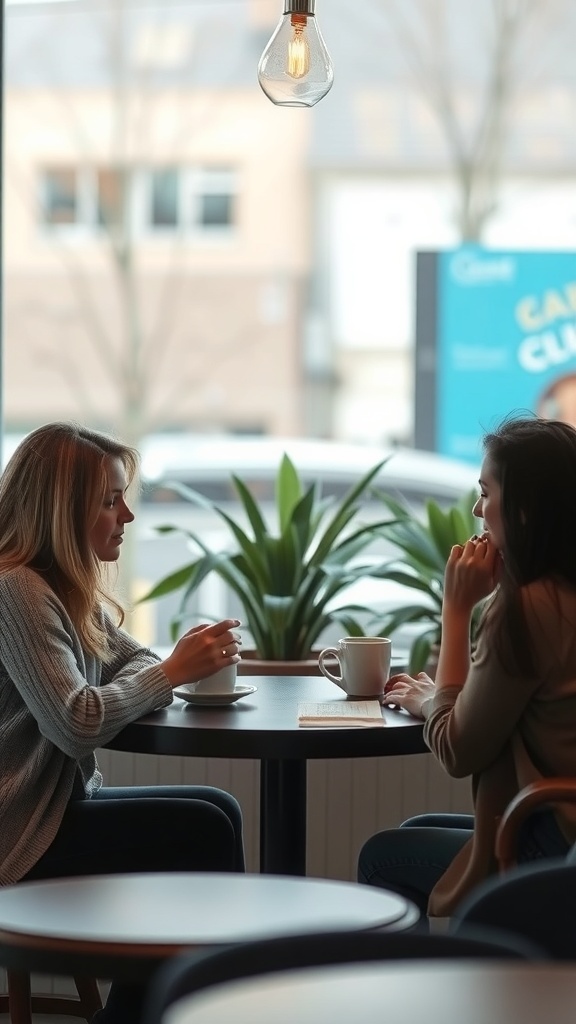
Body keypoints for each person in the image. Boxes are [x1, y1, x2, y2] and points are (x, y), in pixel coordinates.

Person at [0, 422, 245, 1023]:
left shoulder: (60, 587)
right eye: (111, 501)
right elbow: (77, 722)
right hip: (17, 833)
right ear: (64, 510)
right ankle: (174, 1010)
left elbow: (134, 660)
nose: (127, 516)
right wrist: (172, 674)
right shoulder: (18, 589)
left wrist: (164, 670)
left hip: (55, 812)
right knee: (202, 832)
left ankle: (161, 1009)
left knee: (219, 809)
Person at [358, 413, 576, 921]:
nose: (478, 509)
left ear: (523, 510)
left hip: (552, 839)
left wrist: (456, 611)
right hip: (561, 826)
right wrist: (436, 697)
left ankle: (445, 996)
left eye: (486, 492)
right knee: (416, 830)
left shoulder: (526, 607)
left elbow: (458, 749)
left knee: (382, 858)